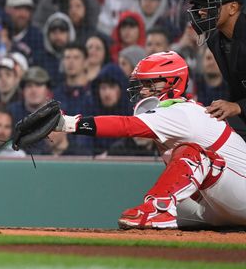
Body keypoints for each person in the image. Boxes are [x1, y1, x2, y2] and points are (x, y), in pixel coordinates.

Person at [44, 51, 246, 229]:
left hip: (241, 193)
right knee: (177, 193)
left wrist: (66, 123)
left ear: (173, 82)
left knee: (192, 152)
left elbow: (126, 126)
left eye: (151, 83)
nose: (143, 90)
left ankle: (158, 210)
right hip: (219, 203)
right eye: (142, 84)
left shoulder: (181, 111)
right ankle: (163, 214)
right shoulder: (174, 110)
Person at [186, 0, 246, 136]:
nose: (201, 11)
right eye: (200, 5)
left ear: (233, 8)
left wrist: (237, 107)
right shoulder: (215, 40)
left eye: (209, 5)